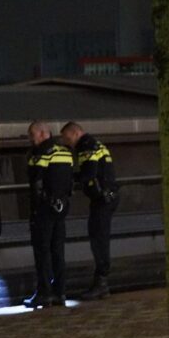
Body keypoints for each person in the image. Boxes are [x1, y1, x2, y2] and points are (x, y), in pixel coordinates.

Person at [60, 122, 119, 300]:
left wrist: (65, 177)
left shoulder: (86, 147)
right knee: (99, 237)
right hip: (108, 197)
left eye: (67, 137)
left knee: (98, 239)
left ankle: (101, 282)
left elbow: (88, 174)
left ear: (76, 133)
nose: (66, 141)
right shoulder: (96, 144)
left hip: (102, 200)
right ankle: (101, 282)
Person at [25, 121, 74, 308]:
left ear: (43, 133)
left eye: (32, 134)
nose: (31, 139)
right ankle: (60, 292)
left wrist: (37, 207)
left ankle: (44, 292)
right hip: (61, 208)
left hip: (43, 210)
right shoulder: (65, 153)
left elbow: (36, 182)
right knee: (58, 251)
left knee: (42, 251)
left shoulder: (40, 154)